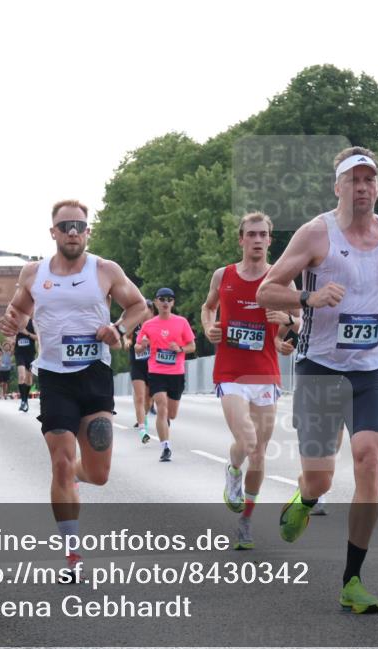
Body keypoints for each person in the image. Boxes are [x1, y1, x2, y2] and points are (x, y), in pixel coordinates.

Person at [257, 146, 378, 614]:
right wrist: (307, 301)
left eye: (370, 180)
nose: (363, 187)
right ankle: (306, 498)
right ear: (338, 187)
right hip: (320, 367)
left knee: (369, 459)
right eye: (354, 179)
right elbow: (266, 289)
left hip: (370, 370)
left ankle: (353, 579)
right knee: (322, 477)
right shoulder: (317, 234)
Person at [0, 199, 148, 576]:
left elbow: (138, 306)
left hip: (94, 374)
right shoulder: (33, 273)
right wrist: (11, 324)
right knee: (61, 463)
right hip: (54, 377)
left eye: (79, 226)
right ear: (53, 232)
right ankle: (71, 554)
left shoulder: (105, 270)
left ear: (88, 231)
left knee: (98, 474)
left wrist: (118, 330)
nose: (72, 232)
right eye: (65, 226)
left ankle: (79, 476)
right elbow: (19, 308)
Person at [201, 211, 300, 550]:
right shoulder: (223, 275)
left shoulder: (282, 279)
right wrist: (208, 328)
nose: (257, 240)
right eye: (251, 234)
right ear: (241, 239)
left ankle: (246, 522)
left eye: (263, 235)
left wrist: (287, 322)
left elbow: (302, 322)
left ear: (271, 240)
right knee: (246, 439)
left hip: (265, 371)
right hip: (230, 371)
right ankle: (232, 470)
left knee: (259, 453)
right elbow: (207, 307)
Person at [134, 287, 196, 462]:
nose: (165, 302)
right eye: (162, 299)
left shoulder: (181, 322)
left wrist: (180, 349)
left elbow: (192, 346)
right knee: (161, 406)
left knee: (171, 413)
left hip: (176, 373)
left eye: (169, 299)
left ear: (173, 303)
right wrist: (143, 345)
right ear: (156, 302)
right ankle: (165, 447)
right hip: (156, 372)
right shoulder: (148, 325)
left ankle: (166, 420)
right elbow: (137, 347)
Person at [125, 298, 155, 443]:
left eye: (146, 312)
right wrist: (128, 342)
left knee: (149, 399)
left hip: (153, 366)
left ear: (152, 312)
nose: (144, 314)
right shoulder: (135, 326)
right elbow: (126, 336)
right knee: (140, 397)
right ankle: (142, 429)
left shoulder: (157, 326)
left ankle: (144, 415)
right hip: (137, 365)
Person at [14, 317, 38, 412]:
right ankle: (23, 401)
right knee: (21, 376)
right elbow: (10, 335)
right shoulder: (17, 322)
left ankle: (25, 400)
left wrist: (26, 333)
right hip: (19, 353)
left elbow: (37, 338)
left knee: (29, 379)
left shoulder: (33, 323)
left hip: (30, 353)